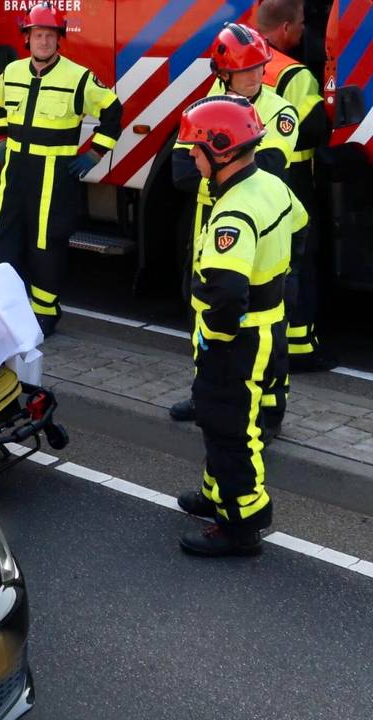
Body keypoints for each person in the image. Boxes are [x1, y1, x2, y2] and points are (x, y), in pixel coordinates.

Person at [172, 95, 306, 557]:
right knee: (218, 418)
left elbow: (227, 293)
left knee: (230, 425)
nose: (190, 155)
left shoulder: (232, 211)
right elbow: (301, 228)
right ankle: (216, 494)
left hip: (237, 337)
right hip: (268, 325)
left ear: (223, 149)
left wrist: (216, 336)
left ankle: (242, 523)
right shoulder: (270, 185)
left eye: (196, 147)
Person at [169, 23, 299, 431]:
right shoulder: (202, 108)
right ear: (222, 74)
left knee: (269, 322)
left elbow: (269, 167)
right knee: (202, 310)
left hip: (259, 229)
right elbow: (179, 173)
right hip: (210, 228)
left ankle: (270, 409)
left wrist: (213, 170)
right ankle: (203, 391)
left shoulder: (280, 112)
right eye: (244, 70)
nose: (254, 76)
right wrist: (227, 170)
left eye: (259, 67)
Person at [0, 2, 122, 336]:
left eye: (50, 35)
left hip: (53, 175)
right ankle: (5, 308)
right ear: (27, 39)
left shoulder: (78, 78)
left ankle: (45, 314)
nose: (44, 41)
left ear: (59, 39)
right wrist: (1, 137)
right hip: (15, 172)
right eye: (37, 35)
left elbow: (113, 110)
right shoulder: (12, 72)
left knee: (46, 246)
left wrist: (95, 153)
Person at [257, 0, 333, 372]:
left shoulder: (237, 65)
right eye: (302, 23)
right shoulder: (295, 74)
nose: (305, 30)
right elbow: (317, 127)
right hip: (293, 179)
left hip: (252, 178)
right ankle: (300, 346)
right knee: (300, 258)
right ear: (286, 27)